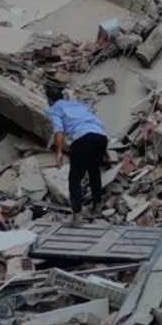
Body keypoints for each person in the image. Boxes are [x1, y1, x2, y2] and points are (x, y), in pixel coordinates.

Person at [47, 85, 108, 223]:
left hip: (82, 138)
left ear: (49, 100)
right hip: (101, 136)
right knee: (94, 171)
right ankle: (97, 205)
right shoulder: (77, 104)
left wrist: (59, 152)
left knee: (74, 178)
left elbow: (58, 130)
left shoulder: (54, 109)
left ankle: (77, 215)